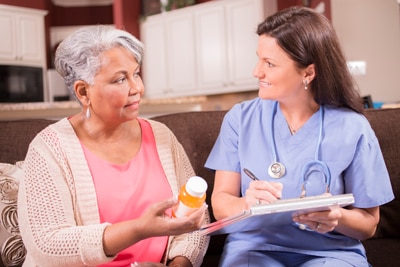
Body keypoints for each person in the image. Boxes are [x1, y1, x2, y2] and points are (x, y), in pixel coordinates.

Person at [205, 6, 394, 267]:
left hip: (330, 253)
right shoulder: (240, 119)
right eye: (259, 58)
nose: (256, 72)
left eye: (269, 64)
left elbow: (369, 224)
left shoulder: (353, 128)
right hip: (256, 247)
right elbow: (221, 203)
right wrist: (246, 203)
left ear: (308, 72)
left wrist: (337, 217)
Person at [17, 25, 209, 267]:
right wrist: (139, 229)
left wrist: (179, 264)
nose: (137, 88)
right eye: (120, 79)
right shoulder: (49, 149)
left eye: (136, 74)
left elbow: (195, 215)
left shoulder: (162, 136)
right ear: (83, 91)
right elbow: (47, 244)